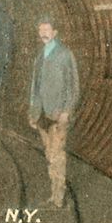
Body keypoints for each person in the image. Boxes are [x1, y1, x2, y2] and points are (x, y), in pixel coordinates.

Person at [28, 17, 80, 208]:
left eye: (47, 29)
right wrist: (33, 112)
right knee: (50, 155)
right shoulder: (40, 56)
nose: (44, 33)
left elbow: (74, 86)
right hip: (42, 114)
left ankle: (58, 198)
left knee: (57, 155)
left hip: (58, 114)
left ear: (55, 32)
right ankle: (54, 194)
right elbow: (35, 86)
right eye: (41, 29)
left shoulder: (65, 55)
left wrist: (67, 111)